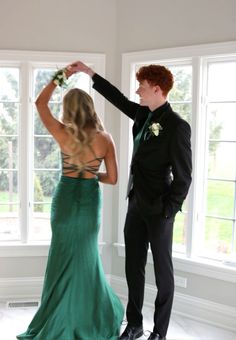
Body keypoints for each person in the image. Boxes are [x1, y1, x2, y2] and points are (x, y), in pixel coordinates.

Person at [70, 61, 192, 340]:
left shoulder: (177, 126)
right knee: (133, 267)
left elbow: (184, 177)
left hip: (160, 210)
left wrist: (168, 211)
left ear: (158, 90)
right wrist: (90, 74)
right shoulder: (142, 114)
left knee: (163, 274)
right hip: (135, 204)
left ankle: (159, 332)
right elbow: (118, 98)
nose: (138, 91)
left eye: (143, 87)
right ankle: (134, 324)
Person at [16, 65, 124, 339]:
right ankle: (88, 317)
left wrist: (63, 74)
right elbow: (112, 179)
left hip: (65, 201)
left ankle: (58, 316)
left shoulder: (62, 132)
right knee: (86, 258)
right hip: (89, 201)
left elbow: (40, 103)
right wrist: (90, 175)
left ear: (69, 109)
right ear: (90, 108)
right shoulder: (105, 139)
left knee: (63, 256)